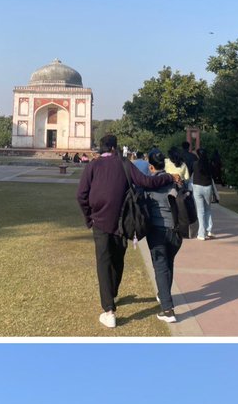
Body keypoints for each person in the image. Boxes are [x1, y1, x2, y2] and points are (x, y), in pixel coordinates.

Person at [75, 134, 176, 328]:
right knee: (117, 260)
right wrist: (167, 177)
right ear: (114, 148)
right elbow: (146, 182)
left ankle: (109, 310)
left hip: (100, 222)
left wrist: (89, 218)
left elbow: (81, 195)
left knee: (104, 263)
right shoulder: (123, 164)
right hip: (122, 222)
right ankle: (112, 293)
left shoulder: (92, 166)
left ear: (101, 148)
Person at [140, 149, 184, 323]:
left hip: (157, 230)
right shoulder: (176, 181)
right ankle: (163, 294)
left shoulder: (149, 183)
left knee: (160, 267)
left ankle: (168, 310)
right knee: (168, 263)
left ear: (151, 166)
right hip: (175, 229)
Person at [190, 147, 217, 240]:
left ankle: (201, 234)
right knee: (208, 209)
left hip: (197, 187)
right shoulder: (209, 164)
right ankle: (208, 230)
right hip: (207, 187)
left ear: (198, 155)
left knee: (200, 211)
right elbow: (214, 174)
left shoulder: (195, 164)